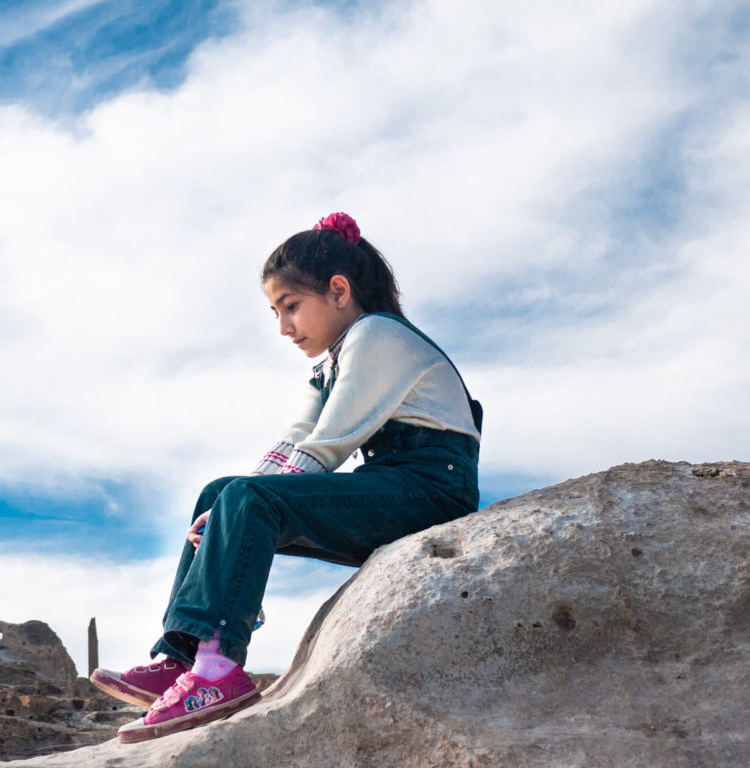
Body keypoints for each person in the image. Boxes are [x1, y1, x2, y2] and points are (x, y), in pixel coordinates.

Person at [91, 212, 482, 744]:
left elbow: (330, 442)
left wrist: (244, 503)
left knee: (246, 499)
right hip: (387, 484)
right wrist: (226, 510)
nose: (283, 328)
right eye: (276, 312)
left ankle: (219, 669)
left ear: (339, 290)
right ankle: (181, 655)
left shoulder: (378, 336)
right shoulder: (329, 363)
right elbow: (297, 437)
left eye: (291, 307)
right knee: (222, 492)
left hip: (431, 488)